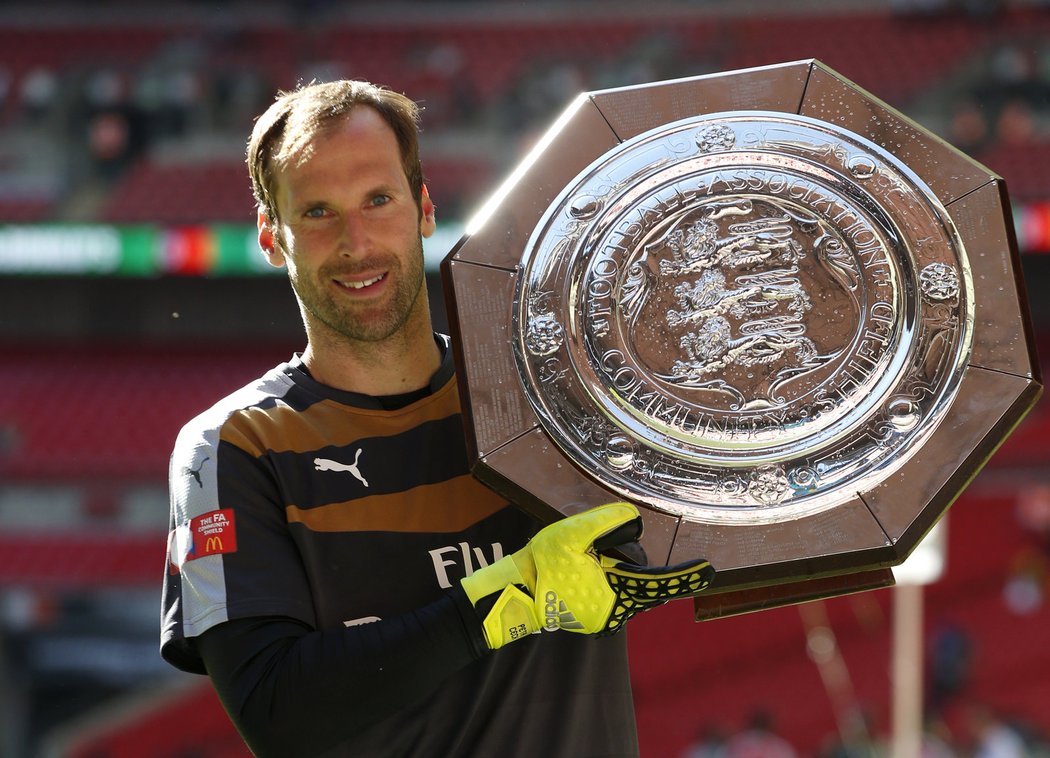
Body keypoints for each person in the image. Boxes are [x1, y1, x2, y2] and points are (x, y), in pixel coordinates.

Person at [159, 79, 714, 758]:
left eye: (378, 200)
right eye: (318, 213)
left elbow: (730, 505)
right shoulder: (232, 447)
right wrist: (502, 600)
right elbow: (275, 708)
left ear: (423, 208)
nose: (355, 242)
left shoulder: (550, 397)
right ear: (272, 239)